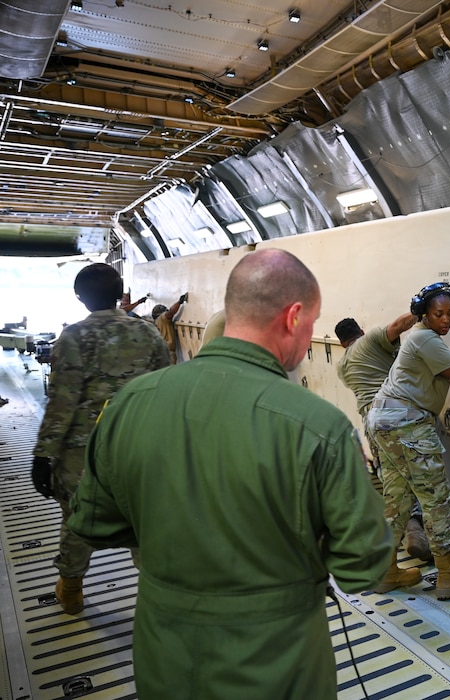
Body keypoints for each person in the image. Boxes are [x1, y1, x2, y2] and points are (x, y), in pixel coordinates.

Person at [66, 249, 392, 699]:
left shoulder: (129, 402)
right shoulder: (319, 427)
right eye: (312, 323)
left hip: (165, 655)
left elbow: (93, 523)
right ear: (293, 316)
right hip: (278, 663)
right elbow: (364, 567)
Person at [31, 263, 170, 615]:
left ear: (80, 298)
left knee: (78, 520)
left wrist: (44, 456)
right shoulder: (149, 333)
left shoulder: (74, 337)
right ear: (120, 294)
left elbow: (62, 401)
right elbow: (166, 391)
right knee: (144, 522)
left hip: (85, 455)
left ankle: (72, 590)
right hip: (140, 448)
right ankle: (161, 598)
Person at [367, 282, 450, 599]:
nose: (446, 319)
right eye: (438, 314)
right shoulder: (426, 338)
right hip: (408, 423)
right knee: (435, 500)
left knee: (397, 500)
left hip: (384, 419)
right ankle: (447, 577)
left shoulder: (417, 337)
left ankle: (388, 573)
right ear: (424, 315)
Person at [334, 312, 430, 560]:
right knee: (416, 471)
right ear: (361, 331)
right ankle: (419, 527)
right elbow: (398, 325)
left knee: (392, 477)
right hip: (395, 412)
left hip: (371, 422)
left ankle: (405, 531)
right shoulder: (370, 340)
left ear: (342, 343)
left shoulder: (342, 366)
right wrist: (419, 310)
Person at [152, 292, 188, 363]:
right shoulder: (162, 319)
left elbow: (170, 310)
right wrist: (180, 302)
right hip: (168, 353)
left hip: (161, 352)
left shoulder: (157, 322)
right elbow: (171, 312)